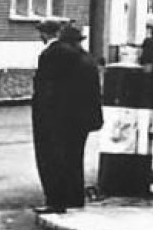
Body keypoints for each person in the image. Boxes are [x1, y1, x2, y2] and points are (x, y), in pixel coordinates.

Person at [30, 17, 104, 214]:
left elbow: (47, 91)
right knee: (74, 159)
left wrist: (44, 117)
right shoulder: (87, 58)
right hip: (82, 120)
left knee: (53, 159)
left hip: (58, 120)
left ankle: (56, 201)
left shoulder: (53, 55)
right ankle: (74, 198)